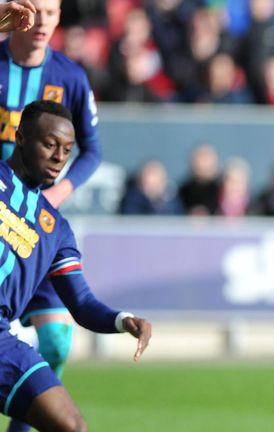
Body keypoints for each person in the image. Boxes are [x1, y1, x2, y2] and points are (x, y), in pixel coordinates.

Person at [0, 99, 152, 430]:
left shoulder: (56, 229)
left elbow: (81, 303)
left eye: (67, 149)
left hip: (1, 341)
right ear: (21, 137)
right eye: (50, 144)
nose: (59, 157)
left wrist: (123, 320)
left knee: (72, 425)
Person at [0, 3, 105, 430]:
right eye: (35, 10)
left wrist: (55, 196)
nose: (43, 21)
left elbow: (93, 150)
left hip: (36, 230)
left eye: (52, 11)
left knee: (58, 342)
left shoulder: (71, 77)